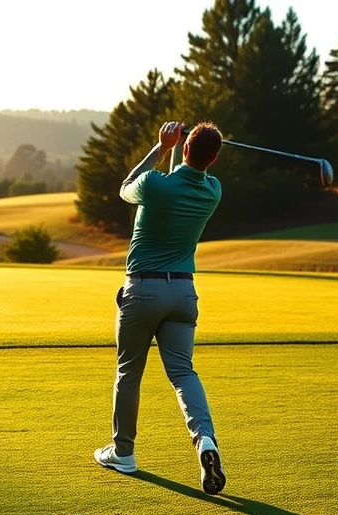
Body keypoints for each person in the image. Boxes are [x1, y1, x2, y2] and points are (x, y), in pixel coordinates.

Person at [93, 120, 227, 496]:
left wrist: (160, 147)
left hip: (143, 290)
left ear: (184, 149)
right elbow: (187, 177)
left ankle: (123, 454)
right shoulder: (213, 190)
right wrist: (179, 150)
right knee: (183, 373)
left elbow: (125, 188)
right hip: (183, 293)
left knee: (129, 372)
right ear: (213, 159)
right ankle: (205, 441)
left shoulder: (154, 184)